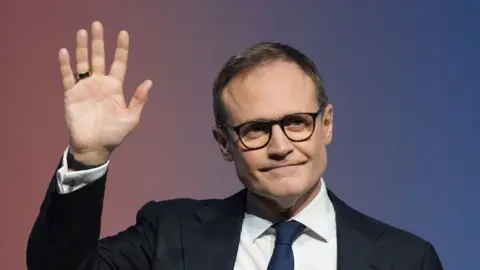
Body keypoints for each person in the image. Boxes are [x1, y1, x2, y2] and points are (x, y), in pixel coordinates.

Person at [26, 21, 443, 270]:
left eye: (297, 122)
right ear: (224, 143)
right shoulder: (169, 233)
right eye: (256, 129)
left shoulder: (406, 259)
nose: (280, 146)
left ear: (326, 125)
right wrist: (88, 156)